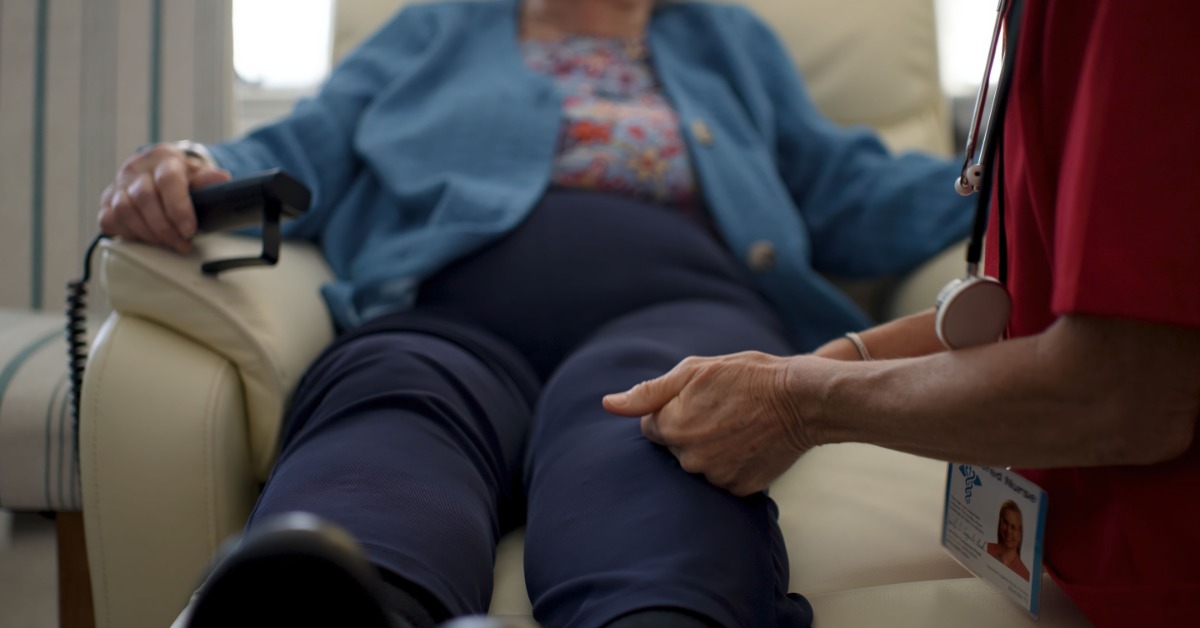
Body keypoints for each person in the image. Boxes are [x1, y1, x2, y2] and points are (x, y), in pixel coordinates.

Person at [98, 0, 971, 626]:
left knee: (658, 431)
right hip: (444, 311)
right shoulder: (436, 25)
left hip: (678, 308)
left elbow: (847, 187)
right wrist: (187, 165)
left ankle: (658, 611)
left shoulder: (726, 37)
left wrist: (1009, 181)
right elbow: (300, 149)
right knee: (391, 406)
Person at [603, 2, 1200, 627]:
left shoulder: (1134, 22)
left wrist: (798, 403)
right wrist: (829, 365)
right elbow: (1034, 303)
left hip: (1159, 575)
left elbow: (1126, 391)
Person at [985, 501, 1029, 582]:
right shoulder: (986, 549)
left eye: (1013, 527)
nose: (1008, 531)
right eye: (1005, 523)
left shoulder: (1024, 574)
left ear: (1020, 534)